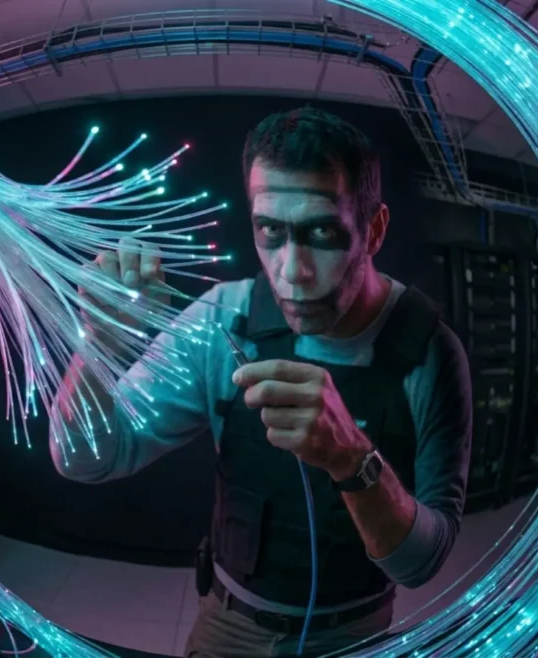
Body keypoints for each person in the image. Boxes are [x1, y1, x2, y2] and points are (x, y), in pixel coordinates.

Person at [51, 107, 473, 657]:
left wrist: (353, 460)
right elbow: (88, 459)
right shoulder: (220, 319)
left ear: (373, 230)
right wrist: (96, 347)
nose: (291, 272)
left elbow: (422, 563)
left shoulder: (430, 352)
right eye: (270, 231)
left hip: (356, 634)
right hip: (232, 625)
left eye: (322, 232)